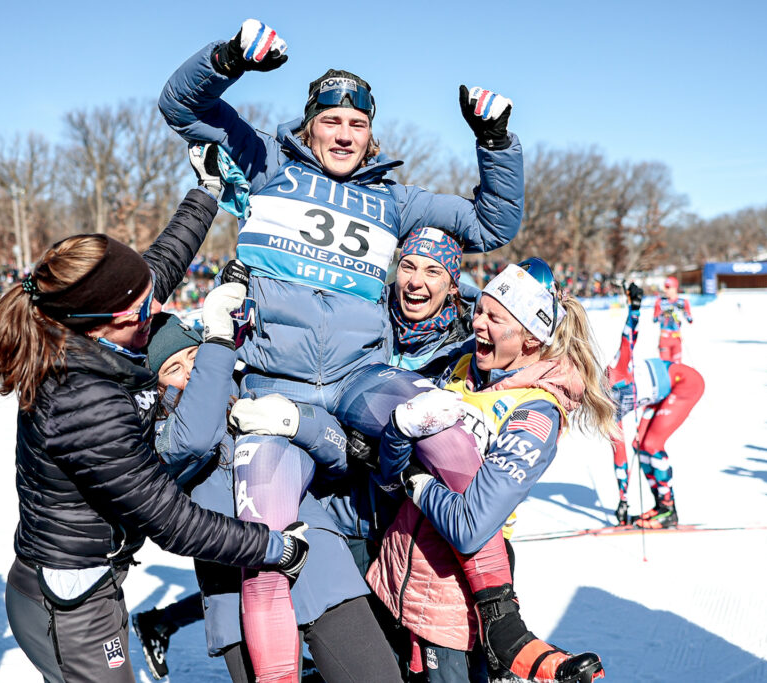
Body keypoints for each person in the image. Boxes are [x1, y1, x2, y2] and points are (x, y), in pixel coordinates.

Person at [160, 19, 524, 682]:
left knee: (447, 433)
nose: (345, 133)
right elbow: (181, 106)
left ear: (371, 135)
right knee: (267, 551)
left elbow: (492, 223)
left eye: (357, 124)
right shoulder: (267, 167)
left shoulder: (394, 201)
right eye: (331, 121)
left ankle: (504, 622)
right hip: (277, 390)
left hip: (363, 381)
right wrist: (228, 58)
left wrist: (495, 142)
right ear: (310, 127)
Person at [0, 188, 310, 683]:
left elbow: (160, 264)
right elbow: (170, 521)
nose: (154, 309)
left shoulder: (88, 322)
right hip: (71, 603)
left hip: (91, 580)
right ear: (102, 321)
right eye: (142, 309)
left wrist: (206, 195)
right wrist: (275, 548)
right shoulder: (83, 399)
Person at [373, 259, 613, 683]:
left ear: (530, 337)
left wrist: (415, 480)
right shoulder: (467, 366)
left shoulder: (535, 410)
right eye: (479, 311)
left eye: (494, 318)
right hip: (398, 567)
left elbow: (471, 526)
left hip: (455, 586)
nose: (477, 323)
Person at [135, 311, 402, 682]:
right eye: (173, 369)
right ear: (156, 386)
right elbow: (193, 443)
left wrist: (296, 420)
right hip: (235, 595)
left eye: (196, 357)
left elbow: (339, 458)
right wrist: (213, 376)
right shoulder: (156, 438)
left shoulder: (255, 386)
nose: (192, 373)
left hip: (317, 564)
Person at [608, 283, 705, 528]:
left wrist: (635, 307)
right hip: (660, 393)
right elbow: (620, 456)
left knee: (652, 444)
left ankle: (669, 510)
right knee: (638, 444)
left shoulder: (615, 372)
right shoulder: (608, 414)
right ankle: (661, 505)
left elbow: (628, 338)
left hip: (685, 383)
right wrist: (623, 500)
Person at [652, 276, 692, 363]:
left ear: (675, 288)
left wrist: (683, 310)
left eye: (668, 287)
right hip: (664, 338)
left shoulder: (682, 302)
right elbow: (655, 319)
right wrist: (664, 314)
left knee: (676, 367)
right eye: (665, 287)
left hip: (676, 339)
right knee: (666, 366)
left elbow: (690, 320)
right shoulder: (660, 302)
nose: (665, 290)